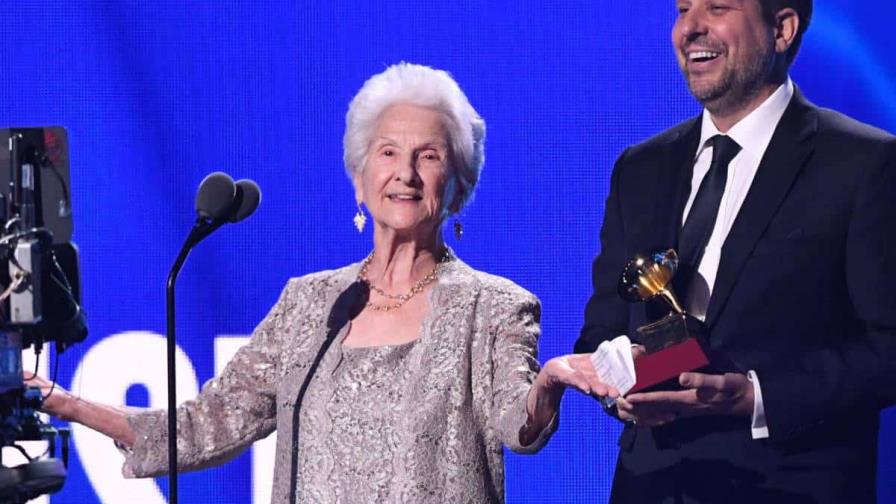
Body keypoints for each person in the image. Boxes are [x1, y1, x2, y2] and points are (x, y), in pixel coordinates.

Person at [29, 63, 611, 504]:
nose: (405, 173)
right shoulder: (308, 304)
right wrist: (64, 402)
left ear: (458, 185)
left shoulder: (496, 308)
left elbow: (519, 428)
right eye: (387, 152)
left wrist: (551, 382)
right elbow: (205, 425)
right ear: (360, 180)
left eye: (429, 156)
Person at [575, 1, 896, 503]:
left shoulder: (865, 164)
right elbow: (602, 327)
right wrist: (617, 379)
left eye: (717, 7)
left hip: (790, 487)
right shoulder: (640, 168)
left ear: (782, 29)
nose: (690, 28)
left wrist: (754, 397)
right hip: (651, 487)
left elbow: (889, 346)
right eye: (682, 9)